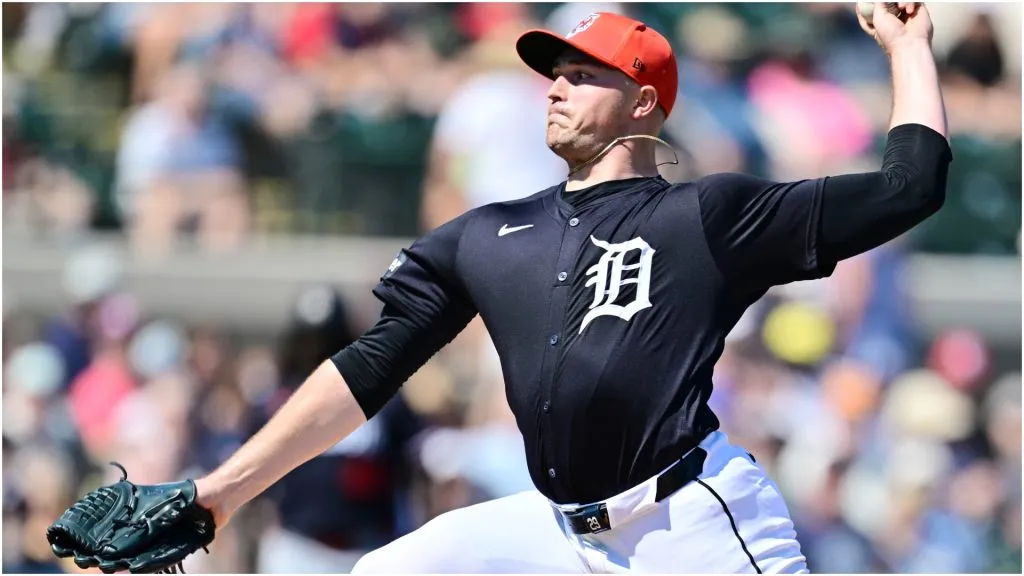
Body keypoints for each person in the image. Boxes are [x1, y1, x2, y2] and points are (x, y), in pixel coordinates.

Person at [193, 4, 951, 573]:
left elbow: (909, 187)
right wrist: (218, 495)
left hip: (688, 523)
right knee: (389, 570)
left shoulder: (708, 215)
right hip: (555, 532)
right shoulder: (488, 235)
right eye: (554, 72)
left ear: (645, 103)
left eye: (583, 75)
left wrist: (908, 45)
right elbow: (367, 369)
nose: (556, 88)